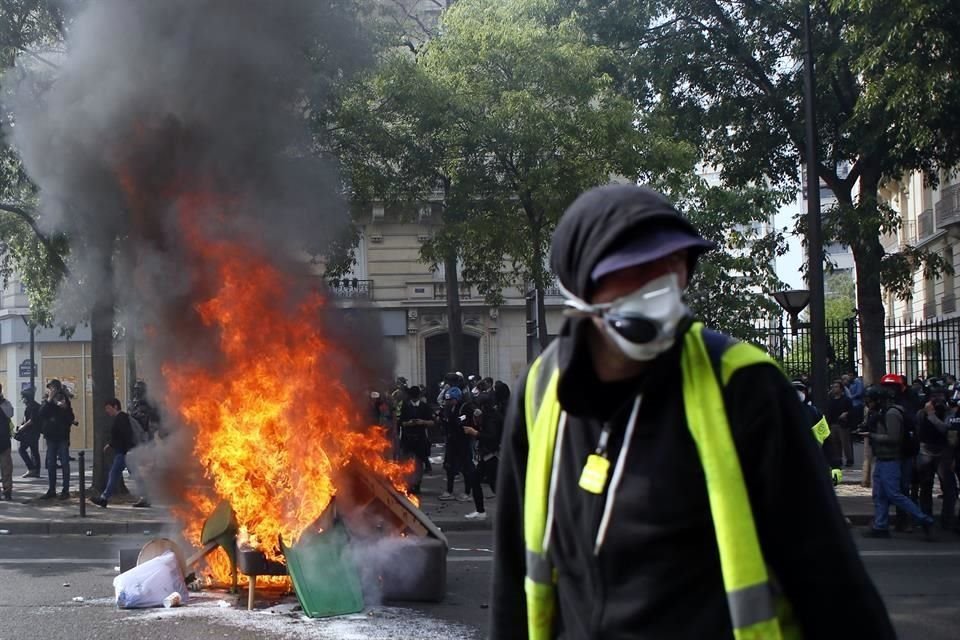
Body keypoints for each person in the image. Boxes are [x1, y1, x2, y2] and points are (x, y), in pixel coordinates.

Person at [491, 184, 894, 639]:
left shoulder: (743, 383)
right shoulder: (541, 387)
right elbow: (511, 572)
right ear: (581, 285)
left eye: (674, 261)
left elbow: (830, 578)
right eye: (638, 267)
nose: (663, 281)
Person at [859, 385, 935, 538]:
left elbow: (894, 438)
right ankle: (881, 526)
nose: (869, 404)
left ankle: (923, 518)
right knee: (879, 495)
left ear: (879, 400)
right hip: (882, 459)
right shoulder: (882, 412)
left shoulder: (892, 413)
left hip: (891, 460)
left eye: (871, 401)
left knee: (894, 494)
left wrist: (871, 436)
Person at [438, 387, 486, 519]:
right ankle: (449, 490)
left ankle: (467, 491)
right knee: (449, 465)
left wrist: (456, 421)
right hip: (452, 440)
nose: (449, 402)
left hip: (463, 441)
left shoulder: (464, 407)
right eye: (448, 400)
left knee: (467, 467)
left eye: (451, 400)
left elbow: (464, 420)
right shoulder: (448, 408)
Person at [90, 398, 137, 508]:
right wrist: (111, 445)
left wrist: (128, 450)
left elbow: (126, 435)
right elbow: (119, 436)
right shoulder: (120, 418)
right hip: (123, 453)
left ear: (115, 406)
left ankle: (104, 498)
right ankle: (104, 498)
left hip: (125, 453)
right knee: (116, 474)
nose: (107, 411)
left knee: (130, 475)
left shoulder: (121, 418)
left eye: (108, 408)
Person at [38, 379, 75, 500]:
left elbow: (70, 417)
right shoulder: (46, 401)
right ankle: (51, 489)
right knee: (51, 464)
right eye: (50, 388)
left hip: (62, 436)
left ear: (58, 388)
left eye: (53, 388)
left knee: (64, 463)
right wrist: (49, 400)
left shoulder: (64, 400)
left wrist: (64, 408)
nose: (51, 390)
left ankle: (65, 490)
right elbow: (41, 414)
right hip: (51, 437)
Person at [398, 385, 434, 494]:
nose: (414, 399)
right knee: (407, 462)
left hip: (420, 438)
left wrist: (422, 422)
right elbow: (401, 422)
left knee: (419, 462)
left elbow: (432, 422)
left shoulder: (425, 407)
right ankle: (408, 484)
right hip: (407, 438)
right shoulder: (405, 406)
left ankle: (417, 484)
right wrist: (408, 423)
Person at [826, 379, 854, 468]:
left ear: (841, 389)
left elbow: (852, 410)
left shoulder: (846, 399)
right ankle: (838, 459)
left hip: (843, 424)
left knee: (845, 443)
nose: (834, 389)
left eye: (836, 387)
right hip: (833, 423)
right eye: (833, 387)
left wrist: (846, 413)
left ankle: (849, 459)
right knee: (835, 443)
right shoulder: (830, 400)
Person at [15, 387, 42, 478]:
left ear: (27, 397)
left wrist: (22, 428)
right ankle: (36, 470)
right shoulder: (34, 405)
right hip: (35, 432)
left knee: (21, 449)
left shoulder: (32, 406)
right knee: (34, 451)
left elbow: (31, 420)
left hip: (31, 432)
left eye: (23, 397)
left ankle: (31, 469)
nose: (22, 399)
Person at [0, 384, 13, 501]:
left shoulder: (5, 403)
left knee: (6, 468)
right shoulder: (5, 403)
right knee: (6, 468)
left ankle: (7, 491)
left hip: (3, 441)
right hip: (4, 440)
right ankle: (7, 491)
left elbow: (10, 414)